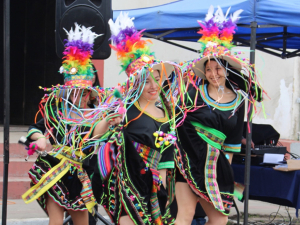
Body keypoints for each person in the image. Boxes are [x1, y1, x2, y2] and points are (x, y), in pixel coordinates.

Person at [174, 6, 263, 225]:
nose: (213, 74)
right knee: (185, 215)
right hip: (188, 162)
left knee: (219, 219)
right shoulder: (193, 94)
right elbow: (178, 126)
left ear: (226, 69)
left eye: (218, 68)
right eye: (209, 68)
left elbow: (232, 143)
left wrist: (222, 175)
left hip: (216, 168)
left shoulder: (239, 101)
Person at [92, 12, 180, 225]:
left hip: (155, 186)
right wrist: (109, 120)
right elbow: (96, 135)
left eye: (157, 79)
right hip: (127, 183)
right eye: (146, 81)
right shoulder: (126, 110)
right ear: (136, 84)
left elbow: (168, 155)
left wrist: (166, 187)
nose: (153, 86)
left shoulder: (167, 114)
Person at [22, 24, 104, 225]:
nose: (81, 96)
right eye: (76, 91)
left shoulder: (95, 116)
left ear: (91, 92)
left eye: (84, 92)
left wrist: (110, 121)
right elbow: (33, 129)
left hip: (82, 174)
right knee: (56, 221)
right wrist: (40, 138)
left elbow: (97, 133)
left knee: (83, 221)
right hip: (54, 170)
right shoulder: (57, 113)